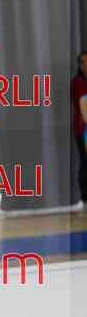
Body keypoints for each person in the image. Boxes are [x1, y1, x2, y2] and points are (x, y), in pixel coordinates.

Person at [71, 50, 87, 207]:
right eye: (82, 62)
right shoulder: (78, 82)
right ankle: (85, 197)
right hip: (83, 129)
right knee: (85, 162)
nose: (85, 64)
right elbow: (82, 104)